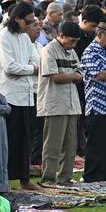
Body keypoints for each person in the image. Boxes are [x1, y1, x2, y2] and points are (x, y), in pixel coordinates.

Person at [0, 2, 42, 190]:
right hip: (10, 94)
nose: (30, 25)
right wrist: (31, 69)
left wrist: (29, 69)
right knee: (11, 140)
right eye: (27, 21)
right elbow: (10, 68)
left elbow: (36, 60)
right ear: (17, 19)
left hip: (27, 93)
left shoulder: (25, 38)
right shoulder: (2, 38)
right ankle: (7, 180)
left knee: (26, 140)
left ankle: (25, 180)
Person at [37, 22, 83, 185]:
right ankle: (48, 178)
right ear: (61, 36)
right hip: (54, 103)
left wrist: (68, 75)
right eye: (72, 41)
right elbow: (55, 77)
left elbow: (80, 73)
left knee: (71, 146)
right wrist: (72, 76)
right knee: (53, 145)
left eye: (76, 41)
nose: (74, 45)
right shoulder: (48, 50)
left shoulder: (72, 52)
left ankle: (65, 177)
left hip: (71, 103)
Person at [79, 20, 106, 182]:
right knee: (97, 145)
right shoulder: (90, 52)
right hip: (98, 105)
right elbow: (99, 75)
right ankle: (92, 176)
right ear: (100, 34)